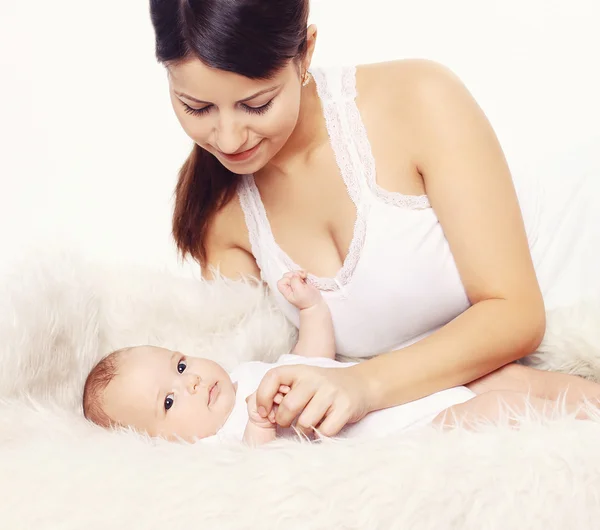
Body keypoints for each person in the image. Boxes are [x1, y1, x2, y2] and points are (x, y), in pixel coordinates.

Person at [148, 0, 600, 437]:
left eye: (257, 104)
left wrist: (365, 385)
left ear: (305, 52)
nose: (228, 139)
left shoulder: (417, 99)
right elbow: (260, 391)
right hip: (501, 408)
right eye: (197, 108)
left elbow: (516, 315)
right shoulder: (220, 219)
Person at [82, 271, 600, 444]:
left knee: (510, 376)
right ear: (158, 444)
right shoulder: (220, 443)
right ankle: (580, 439)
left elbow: (314, 360)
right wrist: (261, 429)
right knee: (492, 411)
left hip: (404, 388)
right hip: (411, 431)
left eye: (179, 366)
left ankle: (592, 401)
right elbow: (252, 479)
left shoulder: (246, 375)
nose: (192, 382)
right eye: (169, 402)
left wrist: (311, 309)